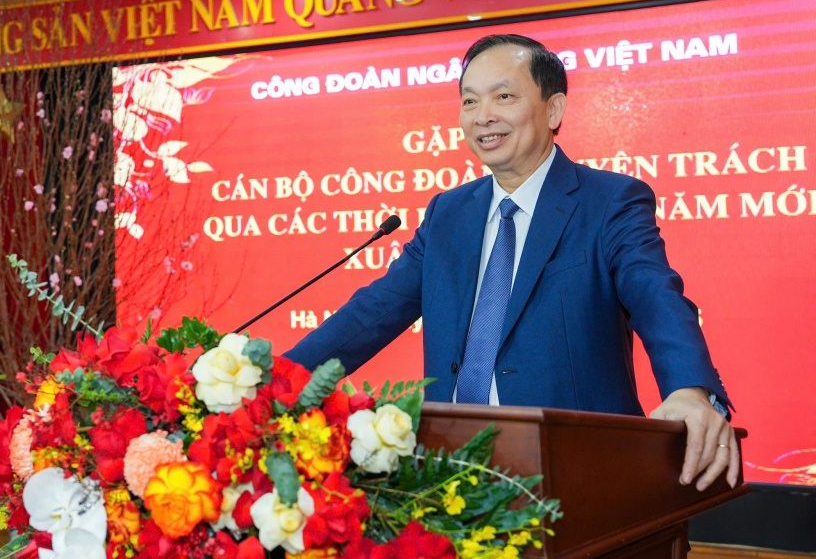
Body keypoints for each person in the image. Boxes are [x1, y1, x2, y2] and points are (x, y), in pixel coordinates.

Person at [284, 33, 738, 491]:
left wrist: (688, 389)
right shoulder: (448, 213)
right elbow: (373, 313)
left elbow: (656, 295)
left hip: (579, 470)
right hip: (451, 470)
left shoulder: (609, 201)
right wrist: (277, 382)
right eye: (469, 101)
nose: (483, 117)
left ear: (554, 109)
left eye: (504, 96)